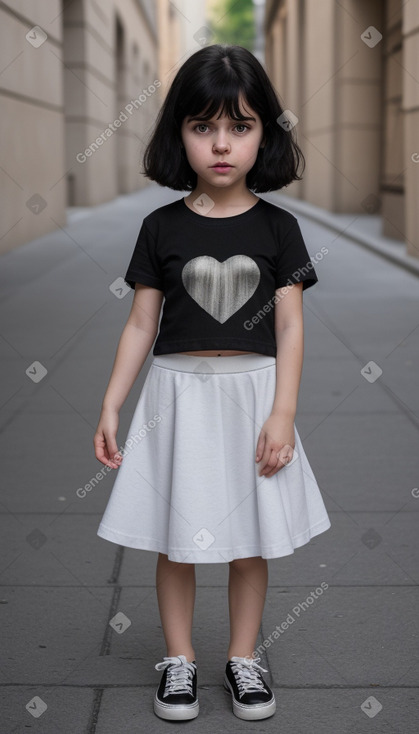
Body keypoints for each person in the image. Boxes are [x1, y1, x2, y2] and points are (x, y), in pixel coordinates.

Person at [94, 43, 331, 723]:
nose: (221, 144)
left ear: (266, 134)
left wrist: (283, 412)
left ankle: (243, 655)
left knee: (249, 539)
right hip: (176, 398)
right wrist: (112, 402)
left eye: (240, 125)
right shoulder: (159, 227)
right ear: (179, 135)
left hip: (253, 395)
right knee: (177, 536)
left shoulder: (279, 229)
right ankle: (180, 661)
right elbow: (141, 324)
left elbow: (288, 329)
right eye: (202, 127)